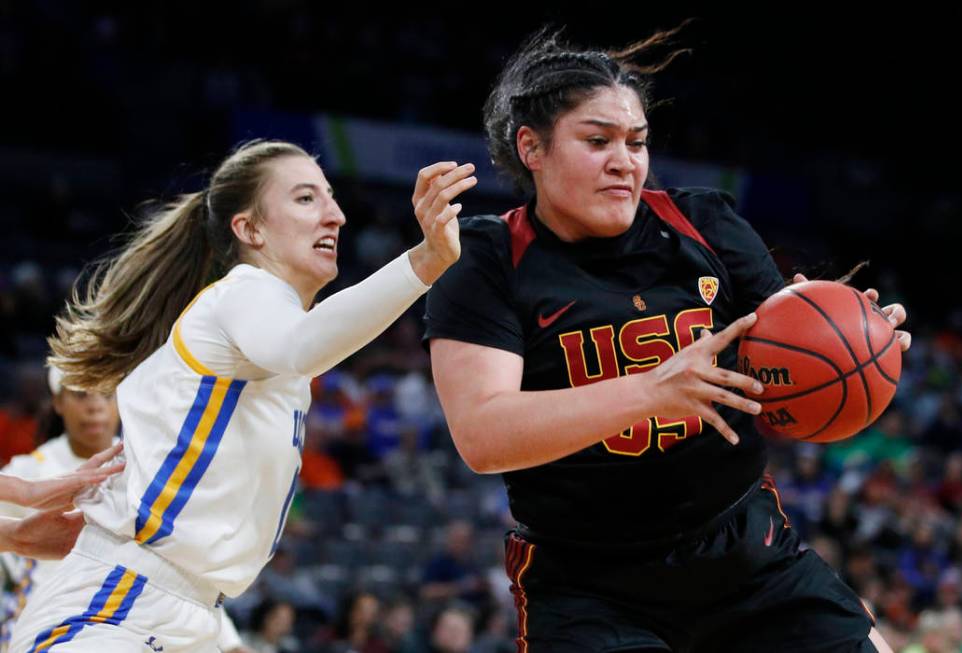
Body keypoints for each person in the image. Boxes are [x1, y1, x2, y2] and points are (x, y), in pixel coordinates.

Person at [424, 29, 911, 652]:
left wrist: (853, 338)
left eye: (637, 142)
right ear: (532, 148)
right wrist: (653, 390)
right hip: (588, 586)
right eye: (597, 141)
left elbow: (789, 355)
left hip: (746, 553)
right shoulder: (485, 260)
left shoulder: (703, 222)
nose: (624, 160)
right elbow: (484, 437)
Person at [10, 139, 473, 651]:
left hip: (181, 611)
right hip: (118, 608)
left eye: (331, 197)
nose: (336, 215)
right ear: (249, 229)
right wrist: (424, 261)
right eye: (305, 199)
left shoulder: (265, 334)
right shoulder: (245, 291)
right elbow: (306, 344)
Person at [0, 366, 252, 652]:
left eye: (106, 395)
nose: (95, 407)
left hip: (136, 623)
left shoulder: (150, 465)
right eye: (81, 396)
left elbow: (179, 564)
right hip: (46, 623)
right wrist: (22, 513)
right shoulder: (27, 469)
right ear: (58, 403)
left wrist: (230, 642)